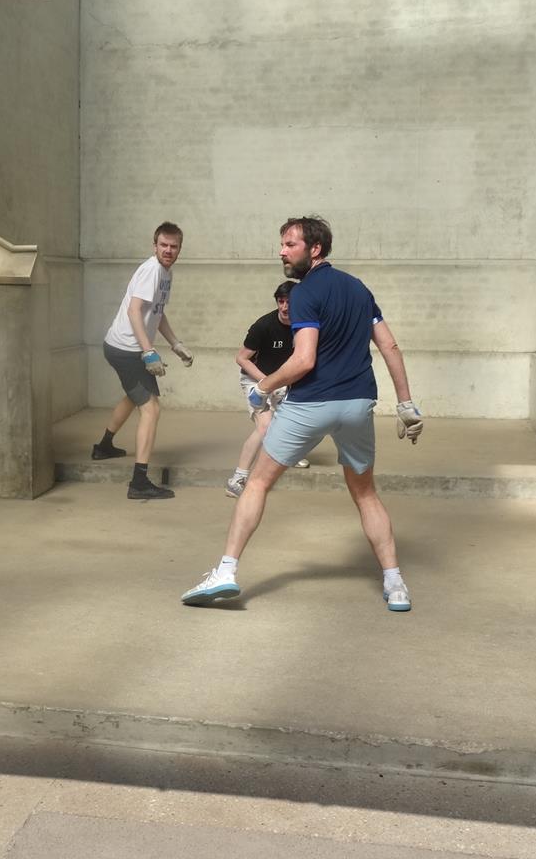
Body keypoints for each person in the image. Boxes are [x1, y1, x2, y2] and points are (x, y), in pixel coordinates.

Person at [181, 216, 423, 610]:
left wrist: (262, 388)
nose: (281, 251)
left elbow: (303, 360)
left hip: (311, 404)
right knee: (365, 494)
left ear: (315, 249)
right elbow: (390, 347)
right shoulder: (359, 289)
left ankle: (225, 572)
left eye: (290, 244)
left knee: (257, 483)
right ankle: (395, 584)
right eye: (281, 244)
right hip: (358, 405)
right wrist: (406, 403)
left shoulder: (306, 293)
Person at [91, 222, 194, 499]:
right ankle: (138, 482)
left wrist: (176, 343)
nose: (168, 250)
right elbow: (135, 311)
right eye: (164, 245)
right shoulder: (152, 270)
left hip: (125, 347)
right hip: (126, 349)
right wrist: (148, 351)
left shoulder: (166, 274)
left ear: (179, 249)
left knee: (133, 395)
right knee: (151, 408)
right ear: (155, 246)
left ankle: (103, 447)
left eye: (174, 246)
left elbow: (156, 313)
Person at [226, 280, 310, 499]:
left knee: (293, 417)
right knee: (265, 428)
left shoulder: (304, 326)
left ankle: (290, 455)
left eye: (289, 302)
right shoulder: (263, 326)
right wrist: (266, 382)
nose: (284, 307)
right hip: (255, 380)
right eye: (281, 301)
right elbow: (241, 358)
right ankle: (237, 479)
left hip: (280, 381)